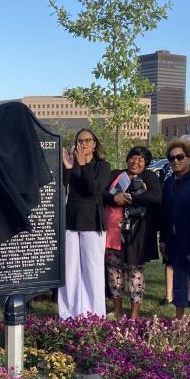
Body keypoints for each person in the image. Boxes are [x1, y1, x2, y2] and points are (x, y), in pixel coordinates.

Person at [102, 147, 162, 320]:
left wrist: (130, 198)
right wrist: (114, 198)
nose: (135, 162)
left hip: (136, 235)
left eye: (140, 159)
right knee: (114, 272)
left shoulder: (148, 177)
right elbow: (102, 193)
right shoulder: (115, 174)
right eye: (133, 158)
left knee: (134, 272)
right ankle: (118, 310)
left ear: (146, 163)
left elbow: (156, 196)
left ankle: (134, 314)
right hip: (112, 233)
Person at [58, 128, 110, 319]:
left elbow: (95, 189)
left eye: (88, 140)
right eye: (80, 141)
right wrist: (69, 168)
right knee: (69, 270)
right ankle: (68, 314)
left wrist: (83, 166)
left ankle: (95, 315)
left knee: (92, 270)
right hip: (70, 221)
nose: (84, 144)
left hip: (92, 222)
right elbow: (63, 188)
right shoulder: (73, 165)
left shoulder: (102, 166)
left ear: (95, 144)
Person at [160, 139, 190, 321]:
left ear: (189, 158)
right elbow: (165, 213)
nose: (175, 161)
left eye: (180, 157)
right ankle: (179, 316)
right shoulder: (169, 182)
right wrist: (163, 239)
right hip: (174, 241)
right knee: (179, 281)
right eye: (171, 158)